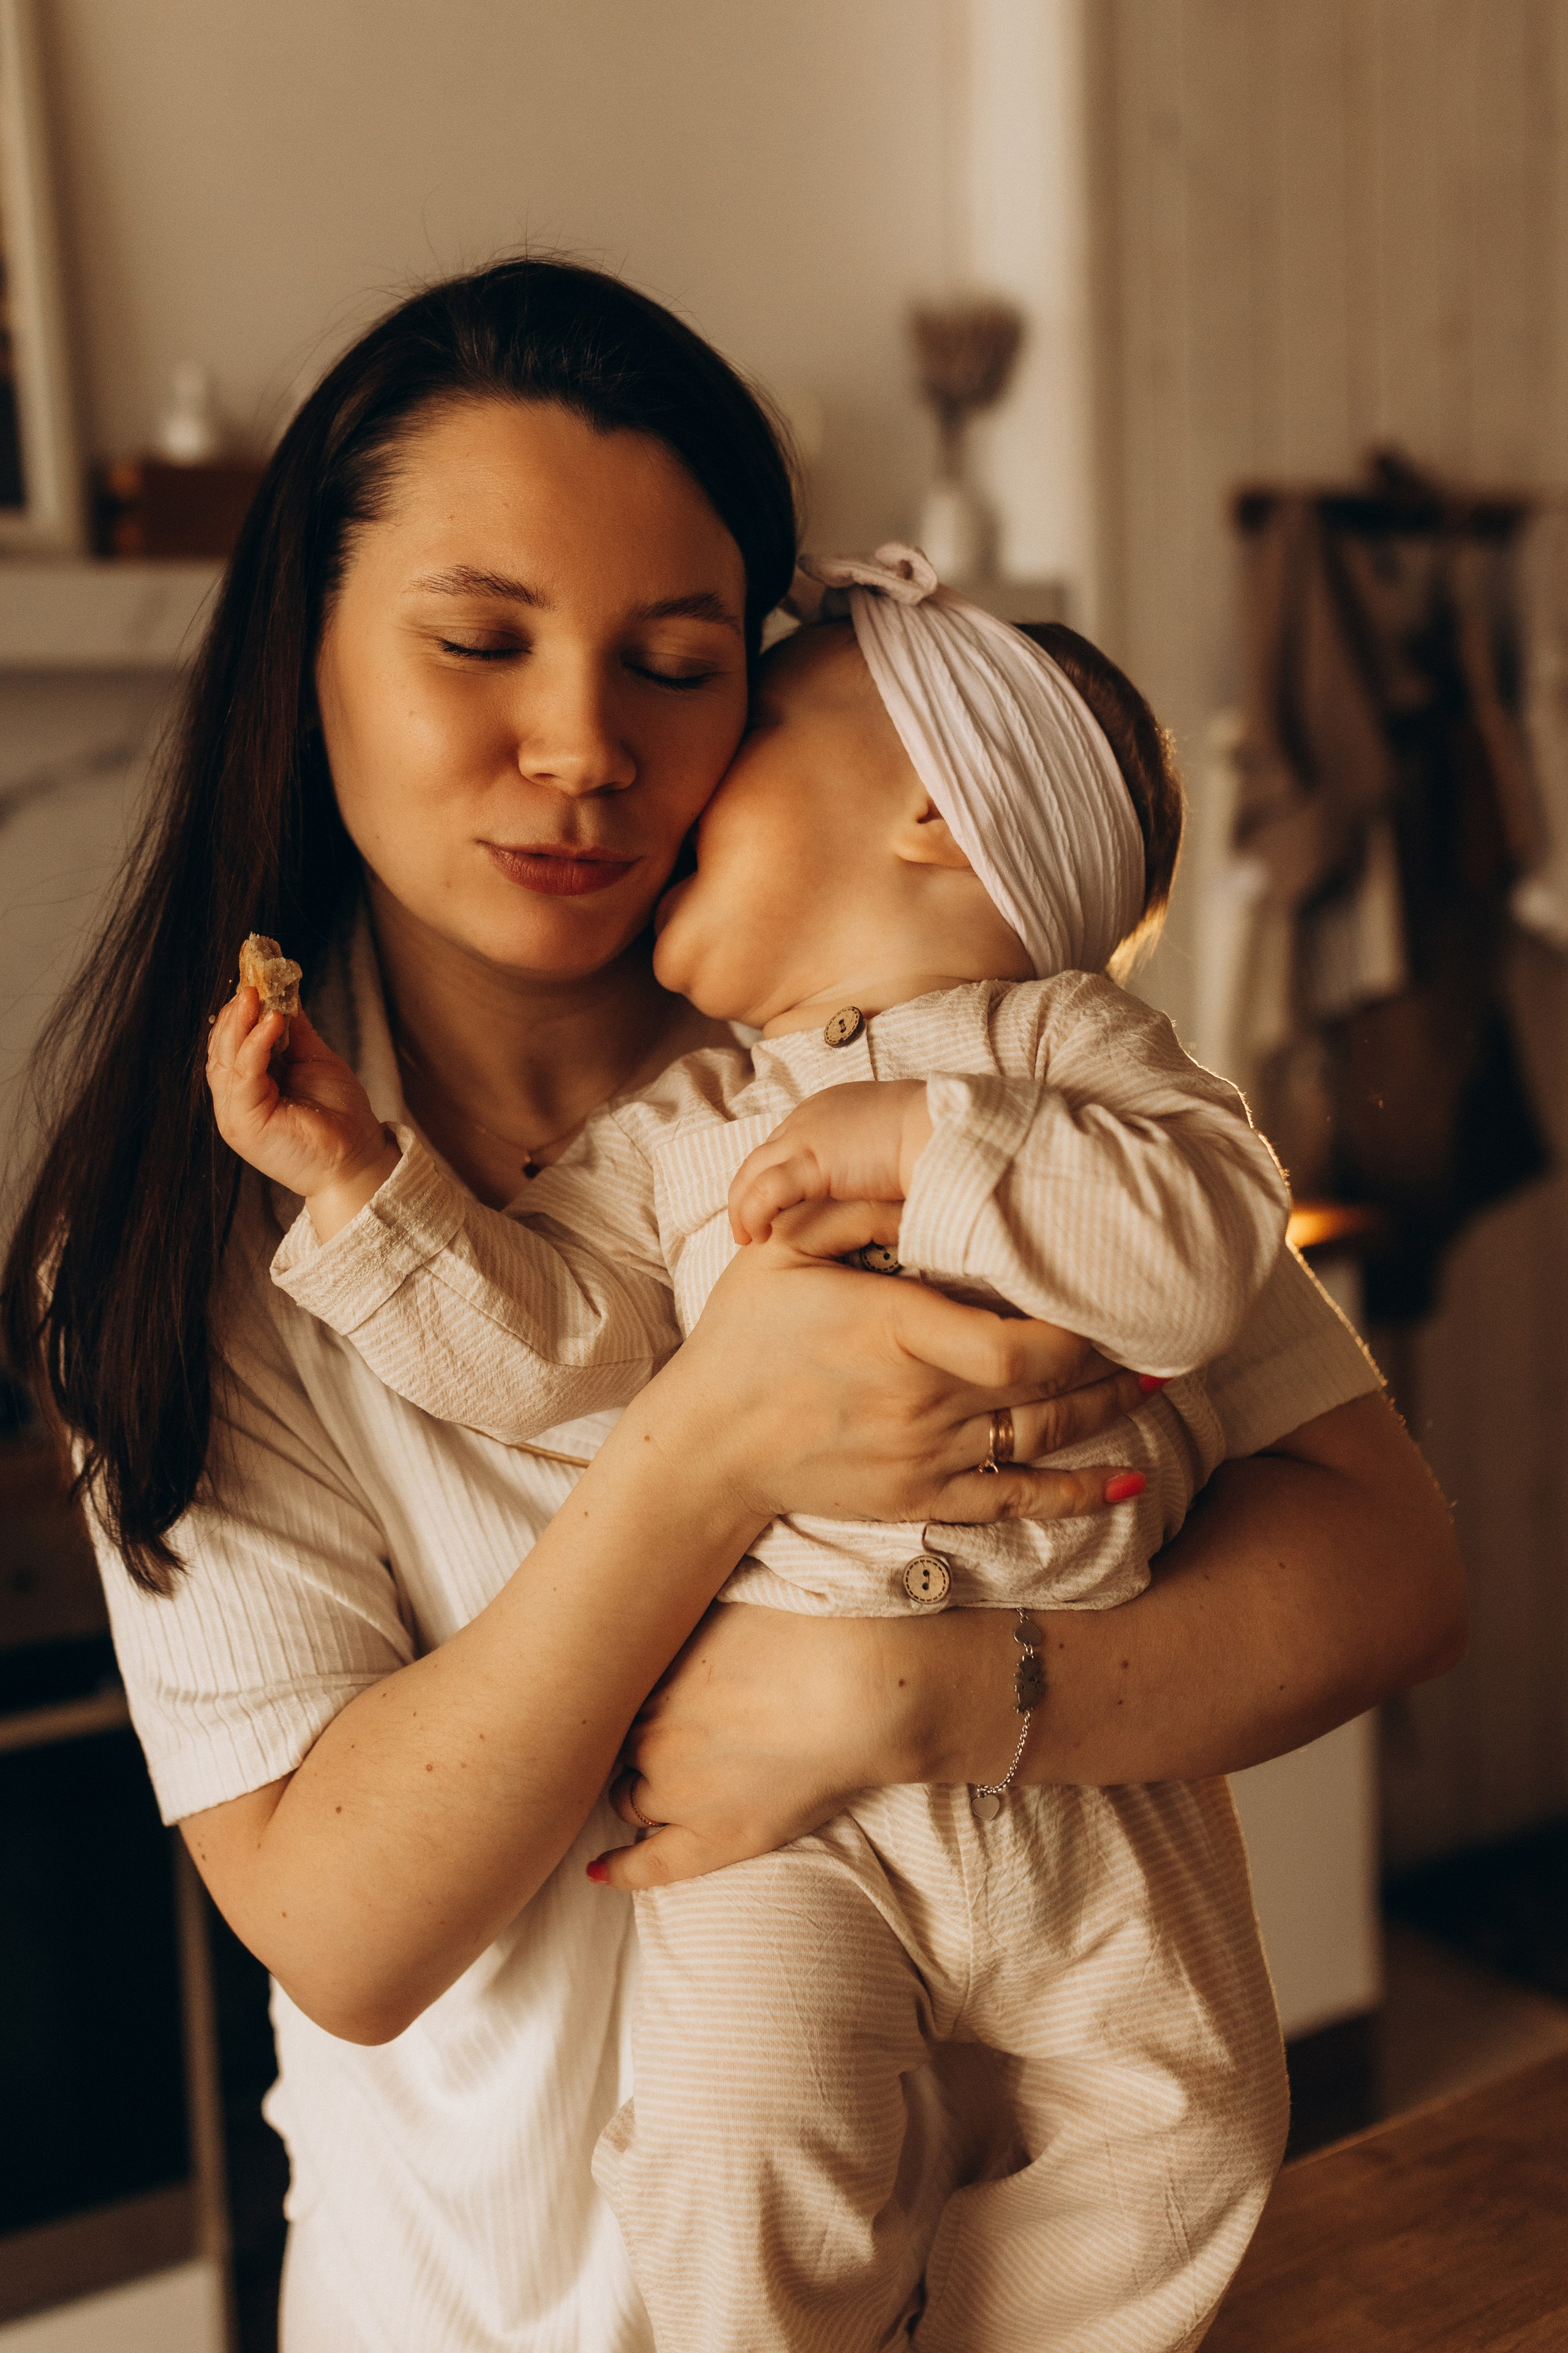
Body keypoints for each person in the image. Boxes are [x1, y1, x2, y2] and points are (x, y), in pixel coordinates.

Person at [1, 260, 1465, 2353]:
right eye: (477, 640)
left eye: (680, 662)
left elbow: (1390, 1565)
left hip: (966, 2282)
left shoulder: (949, 1057)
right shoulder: (184, 1233)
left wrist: (929, 1696)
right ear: (304, 661)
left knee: (1199, 2115)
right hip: (471, 2320)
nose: (583, 746)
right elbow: (341, 1922)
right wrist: (722, 1437)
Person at [206, 537, 1310, 2352]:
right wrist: (362, 1194)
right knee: (735, 2129)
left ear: (939, 816)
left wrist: (933, 1143)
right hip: (779, 1829)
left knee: (1194, 2124)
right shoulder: (687, 1123)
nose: (673, 775)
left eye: (753, 715)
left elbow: (1201, 1260)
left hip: (1093, 1797)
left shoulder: (1082, 1052)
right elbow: (556, 1351)